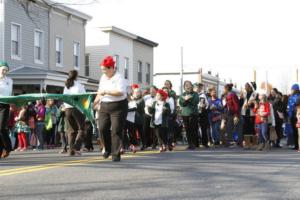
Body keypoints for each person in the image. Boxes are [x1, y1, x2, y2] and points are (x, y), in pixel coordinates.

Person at [93, 56, 128, 162]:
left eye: (104, 69)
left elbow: (120, 92)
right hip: (104, 105)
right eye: (102, 69)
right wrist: (95, 102)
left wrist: (107, 91)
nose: (103, 72)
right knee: (102, 128)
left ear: (111, 68)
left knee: (116, 130)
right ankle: (107, 148)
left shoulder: (119, 77)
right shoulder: (103, 77)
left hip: (118, 106)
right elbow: (100, 92)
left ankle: (116, 153)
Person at [63, 70, 86, 156]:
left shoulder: (66, 86)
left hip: (67, 109)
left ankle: (71, 151)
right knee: (82, 128)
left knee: (71, 131)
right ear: (76, 76)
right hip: (77, 108)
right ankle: (76, 147)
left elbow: (64, 97)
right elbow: (84, 98)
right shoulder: (79, 85)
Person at [179, 80, 199, 150]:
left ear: (191, 86)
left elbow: (195, 102)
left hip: (193, 113)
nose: (187, 86)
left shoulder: (195, 94)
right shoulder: (183, 94)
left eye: (189, 84)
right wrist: (185, 100)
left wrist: (189, 98)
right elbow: (181, 103)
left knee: (193, 129)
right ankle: (190, 143)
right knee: (187, 129)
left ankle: (194, 143)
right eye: (186, 85)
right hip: (185, 114)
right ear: (184, 87)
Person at [0, 61, 13, 159]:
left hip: (4, 105)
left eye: (6, 70)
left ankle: (7, 148)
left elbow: (9, 92)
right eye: (3, 69)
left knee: (1, 128)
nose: (4, 71)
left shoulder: (9, 80)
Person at [240, 82, 257, 149]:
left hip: (252, 114)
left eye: (246, 86)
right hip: (244, 113)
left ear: (250, 87)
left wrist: (250, 105)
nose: (245, 87)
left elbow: (256, 104)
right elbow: (241, 104)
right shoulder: (244, 94)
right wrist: (241, 99)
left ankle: (254, 143)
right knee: (245, 129)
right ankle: (247, 143)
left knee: (251, 129)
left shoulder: (255, 94)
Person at [193, 82, 209, 148]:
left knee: (203, 128)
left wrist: (204, 105)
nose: (198, 88)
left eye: (199, 87)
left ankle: (205, 143)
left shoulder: (203, 95)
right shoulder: (192, 95)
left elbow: (207, 104)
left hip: (202, 113)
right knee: (195, 128)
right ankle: (196, 143)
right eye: (197, 87)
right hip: (195, 113)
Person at [287, 84, 300, 150]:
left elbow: (296, 105)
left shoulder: (298, 96)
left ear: (295, 89)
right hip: (291, 116)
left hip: (297, 115)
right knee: (294, 131)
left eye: (292, 89)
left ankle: (298, 145)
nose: (291, 90)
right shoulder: (290, 97)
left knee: (298, 131)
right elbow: (289, 106)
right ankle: (296, 145)